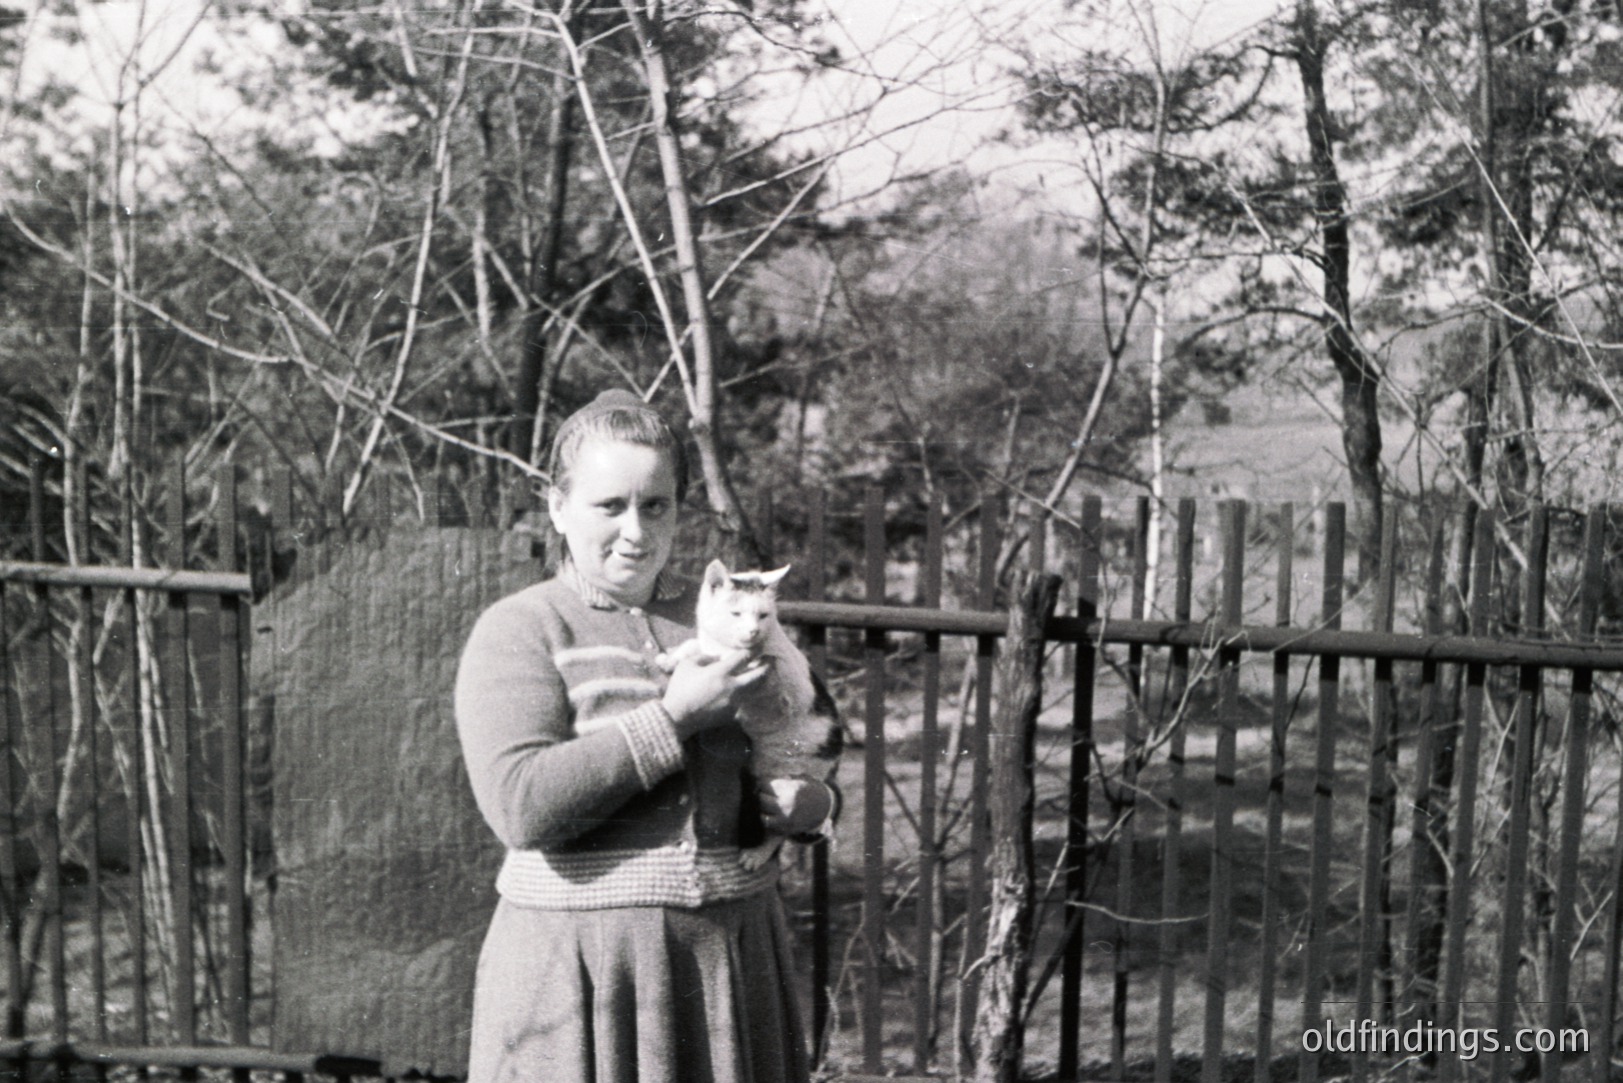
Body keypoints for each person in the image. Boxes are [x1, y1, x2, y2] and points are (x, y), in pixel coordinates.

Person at [454, 389, 837, 1083]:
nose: (635, 531)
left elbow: (805, 736)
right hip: (575, 977)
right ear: (557, 507)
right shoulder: (521, 628)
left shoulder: (724, 615)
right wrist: (674, 718)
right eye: (610, 505)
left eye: (655, 506)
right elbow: (520, 807)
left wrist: (813, 806)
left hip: (730, 966)